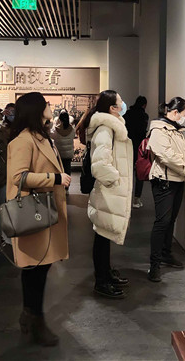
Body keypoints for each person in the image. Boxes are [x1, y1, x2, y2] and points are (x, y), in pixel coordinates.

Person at [7, 92, 71, 346]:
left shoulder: (42, 136)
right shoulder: (24, 140)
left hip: (45, 210)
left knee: (41, 266)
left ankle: (32, 317)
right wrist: (55, 179)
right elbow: (18, 177)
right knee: (35, 267)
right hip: (34, 211)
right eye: (45, 104)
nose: (50, 107)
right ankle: (33, 318)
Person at [77, 90, 134, 299]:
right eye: (120, 101)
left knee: (105, 234)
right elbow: (100, 164)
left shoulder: (111, 126)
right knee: (102, 235)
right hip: (108, 189)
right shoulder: (105, 129)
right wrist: (115, 179)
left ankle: (106, 273)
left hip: (111, 190)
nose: (123, 104)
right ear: (113, 108)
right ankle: (101, 281)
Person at [147, 97, 185, 283]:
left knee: (170, 220)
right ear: (175, 112)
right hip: (164, 181)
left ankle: (166, 254)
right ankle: (154, 264)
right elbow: (166, 156)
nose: (184, 117)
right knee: (162, 222)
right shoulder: (158, 130)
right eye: (184, 114)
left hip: (177, 180)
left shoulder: (176, 130)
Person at [124, 96, 149, 208]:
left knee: (127, 173)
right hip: (139, 147)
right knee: (139, 173)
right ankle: (136, 199)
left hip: (127, 146)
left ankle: (126, 197)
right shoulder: (144, 116)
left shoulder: (127, 114)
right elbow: (143, 131)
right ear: (144, 105)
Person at [0, 103, 15, 207]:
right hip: (1, 169)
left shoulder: (19, 128)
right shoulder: (0, 127)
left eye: (13, 112)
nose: (11, 114)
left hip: (13, 169)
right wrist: (0, 114)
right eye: (9, 111)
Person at [50, 109, 75, 181]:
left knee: (59, 170)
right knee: (67, 169)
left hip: (59, 154)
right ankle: (67, 184)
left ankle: (61, 184)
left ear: (59, 119)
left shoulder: (56, 130)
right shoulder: (72, 129)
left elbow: (50, 135)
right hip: (68, 154)